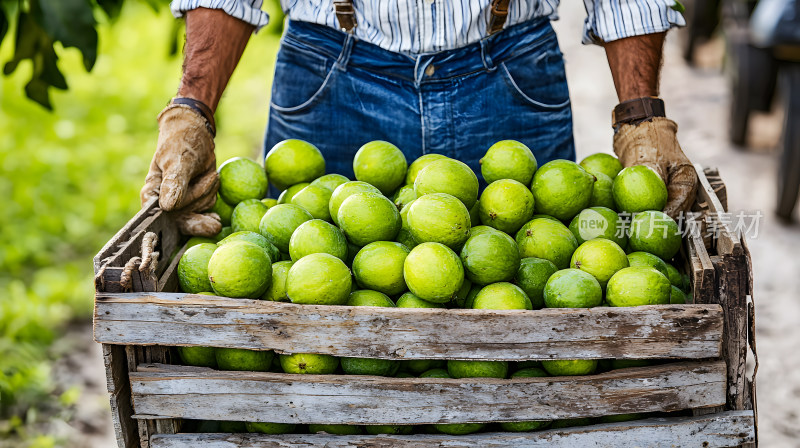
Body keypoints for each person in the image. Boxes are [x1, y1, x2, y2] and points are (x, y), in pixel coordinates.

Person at [141, 0, 698, 237]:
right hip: (331, 72)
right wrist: (191, 107)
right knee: (312, 339)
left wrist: (642, 116)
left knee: (527, 337)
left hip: (508, 73)